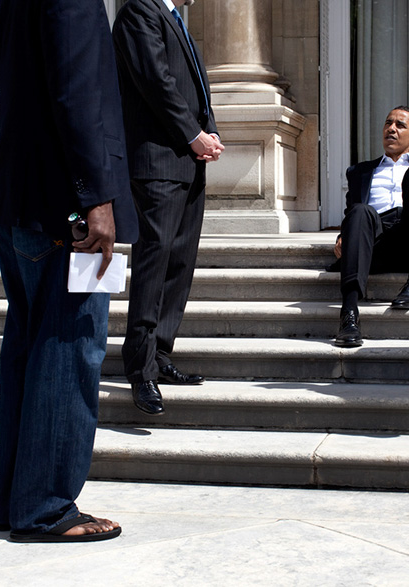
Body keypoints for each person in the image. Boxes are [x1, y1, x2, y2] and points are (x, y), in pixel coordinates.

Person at [0, 0, 138, 542]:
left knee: (29, 349)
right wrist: (95, 198)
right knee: (69, 346)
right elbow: (78, 93)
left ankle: (16, 500)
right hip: (65, 204)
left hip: (22, 198)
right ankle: (46, 508)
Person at [113, 0, 223, 416]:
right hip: (157, 161)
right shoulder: (139, 11)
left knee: (179, 262)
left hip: (187, 163)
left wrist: (208, 130)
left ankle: (160, 356)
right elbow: (155, 82)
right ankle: (140, 370)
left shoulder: (178, 21)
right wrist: (193, 134)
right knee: (154, 262)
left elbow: (192, 85)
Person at [331, 106, 409, 348]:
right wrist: (343, 236)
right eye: (388, 123)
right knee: (360, 210)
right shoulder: (359, 172)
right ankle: (348, 314)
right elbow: (351, 212)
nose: (391, 128)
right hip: (376, 245)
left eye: (400, 125)